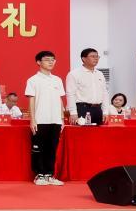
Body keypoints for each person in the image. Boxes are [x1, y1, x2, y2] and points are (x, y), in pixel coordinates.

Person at [26, 50, 67, 186]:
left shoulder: (57, 80)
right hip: (40, 119)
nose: (51, 62)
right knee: (38, 148)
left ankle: (49, 175)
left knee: (52, 148)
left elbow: (60, 99)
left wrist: (62, 118)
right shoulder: (33, 80)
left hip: (55, 120)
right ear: (39, 62)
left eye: (53, 60)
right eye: (47, 59)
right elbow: (31, 100)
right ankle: (39, 175)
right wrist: (33, 120)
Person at [66, 47, 108, 126]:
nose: (96, 59)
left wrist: (105, 111)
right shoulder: (74, 74)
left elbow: (104, 93)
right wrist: (73, 112)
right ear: (84, 59)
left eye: (97, 56)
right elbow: (70, 94)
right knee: (82, 133)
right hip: (82, 109)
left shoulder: (100, 74)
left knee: (98, 133)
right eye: (93, 56)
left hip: (98, 109)